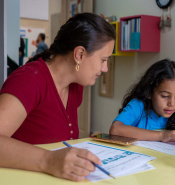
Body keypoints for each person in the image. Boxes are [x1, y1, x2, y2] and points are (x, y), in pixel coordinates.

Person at [0, 13, 115, 181]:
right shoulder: (29, 80)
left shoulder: (76, 86)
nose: (105, 68)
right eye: (103, 60)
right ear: (80, 54)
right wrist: (48, 160)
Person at [110, 59, 175, 146]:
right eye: (165, 96)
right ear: (150, 92)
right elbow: (116, 129)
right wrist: (163, 135)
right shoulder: (138, 106)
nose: (171, 103)